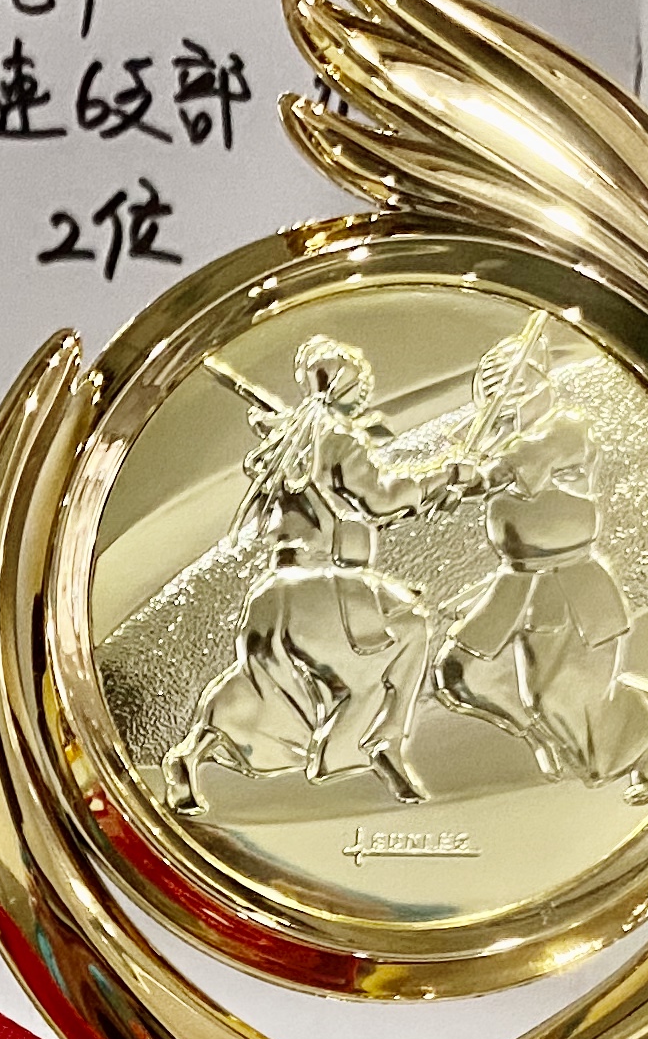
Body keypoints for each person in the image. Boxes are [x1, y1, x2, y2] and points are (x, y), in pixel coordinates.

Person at [164, 336, 455, 811]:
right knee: (409, 629)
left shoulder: (289, 440)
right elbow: (380, 498)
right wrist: (442, 476)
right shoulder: (338, 438)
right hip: (328, 584)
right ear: (350, 388)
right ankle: (379, 741)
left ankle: (191, 751)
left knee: (257, 680)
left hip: (275, 589)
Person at [422, 317, 648, 801]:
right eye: (492, 388)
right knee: (458, 675)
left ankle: (643, 737)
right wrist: (447, 481)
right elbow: (487, 470)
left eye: (510, 383)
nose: (503, 396)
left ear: (539, 379)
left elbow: (516, 464)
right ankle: (537, 736)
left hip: (569, 581)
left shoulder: (566, 429)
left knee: (559, 698)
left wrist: (473, 478)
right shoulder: (498, 441)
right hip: (515, 581)